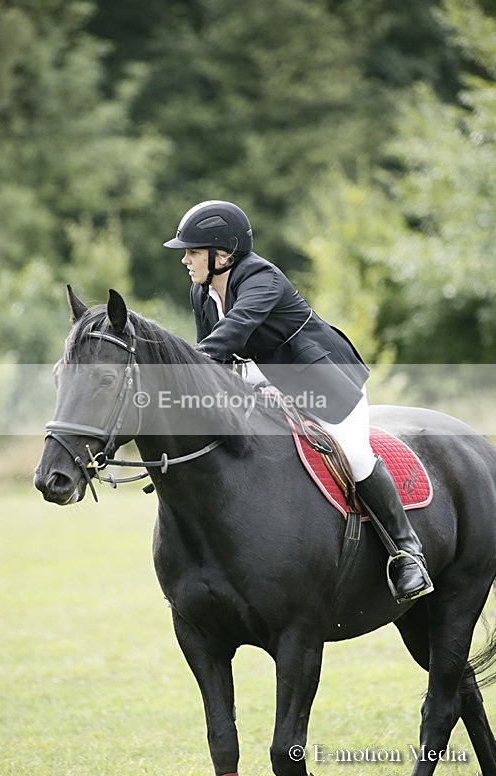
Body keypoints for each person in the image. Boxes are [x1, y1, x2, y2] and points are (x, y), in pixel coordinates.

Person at [163, 200, 433, 604]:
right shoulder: (201, 293)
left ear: (224, 253)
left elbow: (231, 335)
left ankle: (407, 552)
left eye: (193, 251)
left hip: (324, 383)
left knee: (355, 455)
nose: (185, 259)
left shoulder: (261, 279)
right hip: (260, 381)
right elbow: (215, 359)